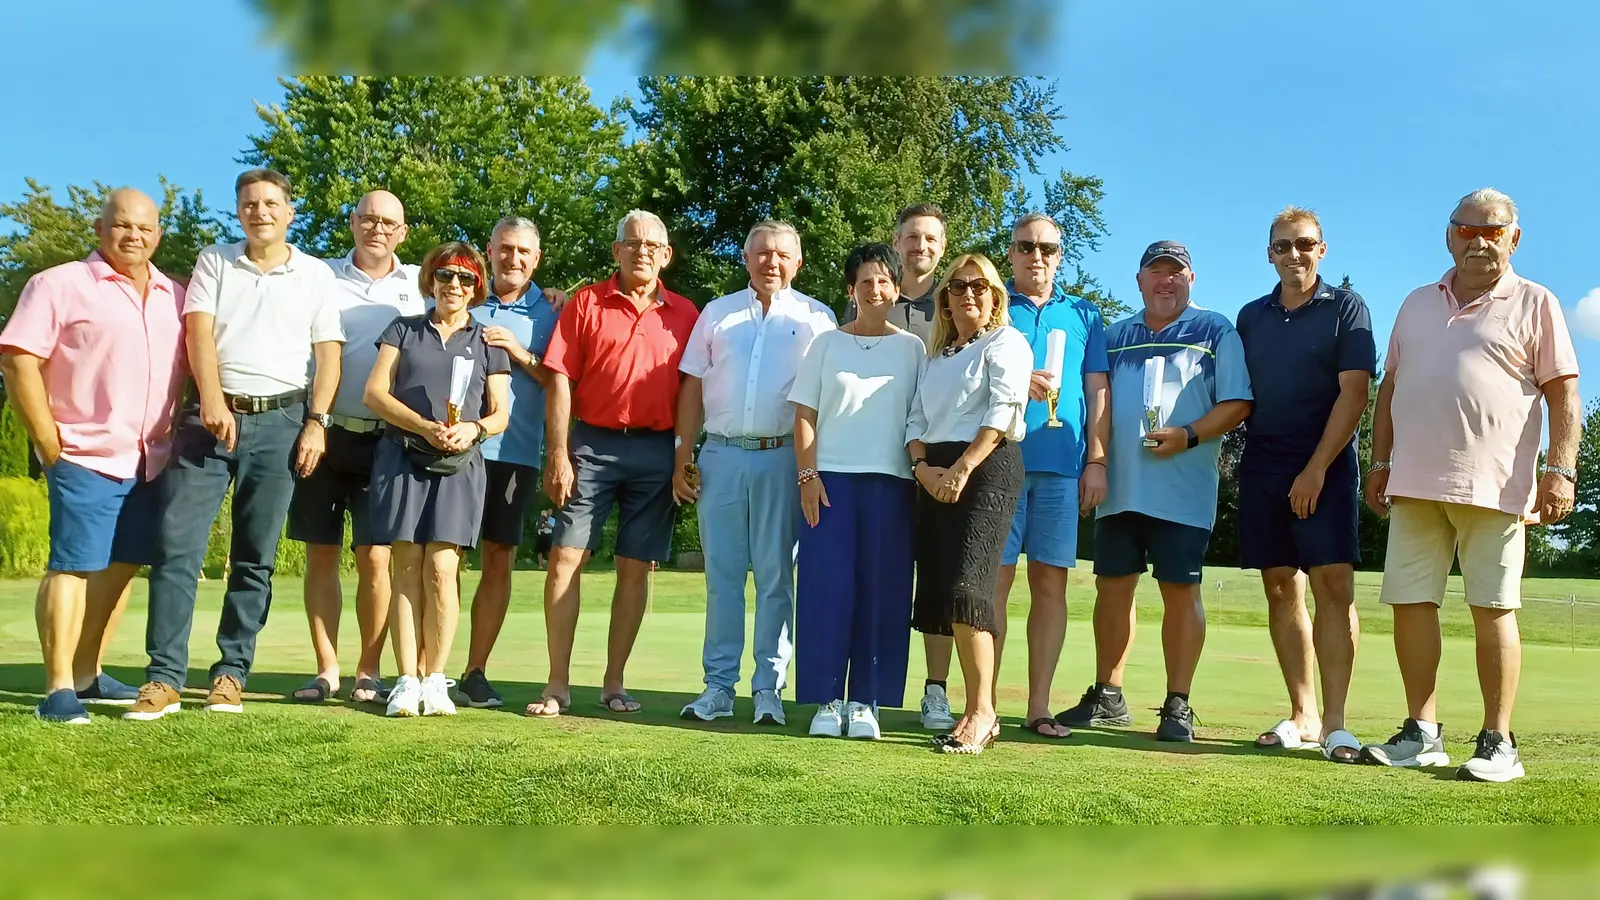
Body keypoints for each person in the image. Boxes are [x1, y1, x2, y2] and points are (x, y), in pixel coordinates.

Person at [1363, 188, 1579, 783]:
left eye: (1493, 231)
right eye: (1467, 229)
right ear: (1449, 234)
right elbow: (1391, 389)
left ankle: (1497, 740)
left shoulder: (1536, 301)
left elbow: (1563, 393)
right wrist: (1378, 463)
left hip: (1496, 484)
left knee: (1492, 608)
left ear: (1514, 238)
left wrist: (1559, 471)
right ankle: (1421, 732)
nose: (1478, 241)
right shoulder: (1414, 302)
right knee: (1410, 603)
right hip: (1413, 480)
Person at [124, 168, 343, 721]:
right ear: (239, 210)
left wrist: (317, 422)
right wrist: (213, 399)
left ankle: (230, 673)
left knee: (255, 558)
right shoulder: (215, 260)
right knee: (177, 548)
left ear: (289, 213)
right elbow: (198, 333)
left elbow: (329, 356)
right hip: (210, 419)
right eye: (250, 203)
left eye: (271, 203)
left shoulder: (315, 274)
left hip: (283, 422)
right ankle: (164, 677)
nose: (260, 212)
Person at [0, 188, 187, 723]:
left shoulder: (172, 294)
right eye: (123, 225)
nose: (134, 236)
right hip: (84, 452)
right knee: (74, 566)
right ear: (101, 228)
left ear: (158, 235)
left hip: (149, 457)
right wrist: (46, 439)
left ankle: (86, 674)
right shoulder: (59, 285)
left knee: (121, 566)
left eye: (145, 228)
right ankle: (57, 690)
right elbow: (18, 360)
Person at [1056, 241, 1252, 742]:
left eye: (1176, 273)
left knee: (1180, 591)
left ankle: (1177, 704)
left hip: (1183, 490)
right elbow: (1097, 404)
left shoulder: (1216, 330)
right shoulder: (1116, 335)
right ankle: (1108, 695)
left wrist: (1188, 434)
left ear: (1192, 278)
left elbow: (1238, 403)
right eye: (1156, 272)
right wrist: (1095, 462)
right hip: (1119, 487)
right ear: (1139, 280)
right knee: (1112, 588)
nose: (1166, 281)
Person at [526, 209, 699, 718]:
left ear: (666, 256)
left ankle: (614, 682)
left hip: (656, 450)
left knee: (635, 567)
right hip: (592, 445)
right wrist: (557, 452)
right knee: (564, 559)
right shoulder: (584, 303)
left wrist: (683, 455)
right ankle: (557, 684)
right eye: (632, 242)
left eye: (652, 244)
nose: (641, 250)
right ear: (616, 250)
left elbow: (694, 389)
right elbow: (559, 379)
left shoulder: (687, 313)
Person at [675, 221, 837, 726]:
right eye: (762, 253)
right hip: (721, 456)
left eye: (782, 255)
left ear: (798, 262)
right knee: (722, 577)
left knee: (774, 578)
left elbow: (827, 399)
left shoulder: (818, 318)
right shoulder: (717, 313)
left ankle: (768, 687)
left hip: (783, 457)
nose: (772, 262)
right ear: (746, 259)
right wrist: (683, 453)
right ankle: (718, 687)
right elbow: (692, 389)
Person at [1235, 207, 1375, 763]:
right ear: (1269, 253)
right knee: (1279, 585)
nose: (1295, 254)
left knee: (1333, 584)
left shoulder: (1347, 306)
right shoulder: (1250, 316)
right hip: (1264, 463)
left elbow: (1356, 392)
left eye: (1306, 244)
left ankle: (1337, 723)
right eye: (1284, 245)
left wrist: (1316, 468)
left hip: (1329, 463)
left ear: (1323, 249)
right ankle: (1304, 714)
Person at [287, 189, 423, 705]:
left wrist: (551, 297)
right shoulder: (319, 276)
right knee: (320, 555)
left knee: (374, 558)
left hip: (388, 442)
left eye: (389, 222)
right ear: (352, 222)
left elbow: (470, 296)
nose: (378, 229)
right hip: (322, 432)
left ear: (403, 232)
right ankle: (327, 669)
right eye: (368, 219)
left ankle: (369, 670)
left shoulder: (419, 284)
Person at [364, 242, 512, 717]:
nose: (454, 286)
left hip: (459, 464)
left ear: (477, 287)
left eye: (466, 278)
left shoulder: (487, 341)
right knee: (406, 567)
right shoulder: (403, 330)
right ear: (431, 280)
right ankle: (407, 679)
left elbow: (501, 413)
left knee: (443, 570)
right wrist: (424, 426)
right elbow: (374, 393)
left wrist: (474, 428)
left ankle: (435, 679)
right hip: (403, 455)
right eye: (446, 276)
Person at [790, 243, 921, 739]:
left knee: (881, 592)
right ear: (851, 290)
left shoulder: (912, 348)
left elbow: (919, 419)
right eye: (865, 282)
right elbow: (805, 414)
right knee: (827, 589)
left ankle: (866, 700)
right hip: (829, 485)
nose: (875, 289)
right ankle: (827, 698)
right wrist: (808, 475)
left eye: (884, 280)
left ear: (896, 288)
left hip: (892, 485)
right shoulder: (825, 344)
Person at [907, 252, 1033, 755]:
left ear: (996, 295)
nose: (969, 294)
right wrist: (924, 469)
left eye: (980, 286)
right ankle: (970, 710)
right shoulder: (937, 355)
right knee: (943, 592)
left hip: (986, 470)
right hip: (935, 473)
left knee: (969, 590)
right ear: (945, 299)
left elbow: (1003, 411)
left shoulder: (1007, 342)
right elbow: (916, 419)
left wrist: (962, 467)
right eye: (958, 286)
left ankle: (983, 713)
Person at [997, 213, 1110, 741]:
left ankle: (1038, 706)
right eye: (1025, 247)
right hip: (999, 464)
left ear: (1059, 255)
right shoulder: (993, 305)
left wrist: (1097, 461)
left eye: (1046, 248)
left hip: (1064, 469)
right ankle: (983, 703)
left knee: (1050, 586)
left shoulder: (1084, 313)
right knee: (992, 585)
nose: (1035, 256)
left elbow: (1097, 395)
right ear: (1012, 252)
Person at [846, 201, 956, 730]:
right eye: (912, 237)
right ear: (897, 240)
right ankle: (863, 688)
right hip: (872, 471)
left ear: (942, 245)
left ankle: (936, 691)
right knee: (874, 582)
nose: (922, 247)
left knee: (937, 582)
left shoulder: (957, 305)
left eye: (931, 239)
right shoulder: (872, 302)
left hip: (936, 468)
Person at [456, 216, 563, 709]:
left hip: (514, 453)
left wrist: (520, 351)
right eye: (505, 249)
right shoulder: (462, 293)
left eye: (523, 251)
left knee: (498, 558)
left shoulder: (553, 311)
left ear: (536, 259)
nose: (513, 259)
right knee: (442, 558)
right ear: (490, 250)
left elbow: (559, 382)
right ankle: (426, 669)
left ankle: (474, 671)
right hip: (454, 449)